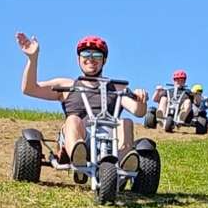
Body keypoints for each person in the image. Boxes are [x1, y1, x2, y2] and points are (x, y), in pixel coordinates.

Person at [15, 32, 147, 165]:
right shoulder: (67, 86)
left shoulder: (116, 88)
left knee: (126, 122)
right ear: (79, 59)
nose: (91, 59)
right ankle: (78, 156)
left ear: (104, 60)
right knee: (73, 119)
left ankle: (122, 164)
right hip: (80, 136)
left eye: (96, 55)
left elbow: (138, 112)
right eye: (86, 54)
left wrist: (141, 100)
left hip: (110, 142)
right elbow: (29, 89)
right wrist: (33, 58)